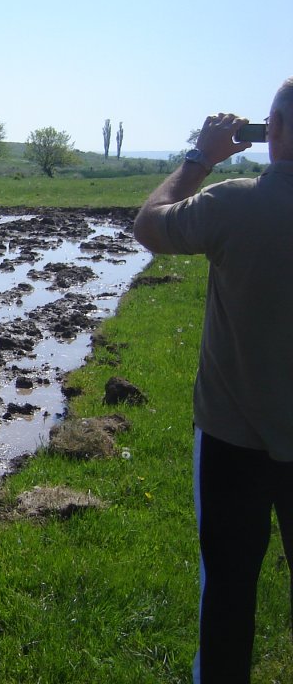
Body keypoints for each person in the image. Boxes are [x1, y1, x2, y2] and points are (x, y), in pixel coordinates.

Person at [133, 77, 293, 684]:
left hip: (233, 437)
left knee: (227, 593)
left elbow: (150, 225)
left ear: (270, 131)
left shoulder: (235, 202)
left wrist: (200, 158)